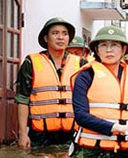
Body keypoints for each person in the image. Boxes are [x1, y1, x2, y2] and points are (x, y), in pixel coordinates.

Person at [70, 26, 128, 158]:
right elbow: (80, 116)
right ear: (97, 50)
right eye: (103, 45)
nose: (109, 50)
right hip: (91, 152)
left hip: (127, 151)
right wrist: (116, 127)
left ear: (123, 50)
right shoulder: (86, 75)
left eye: (114, 45)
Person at [14, 17, 82, 148]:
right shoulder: (31, 62)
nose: (60, 37)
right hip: (40, 135)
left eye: (65, 33)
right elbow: (22, 99)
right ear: (46, 38)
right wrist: (23, 133)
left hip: (72, 134)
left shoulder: (80, 64)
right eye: (55, 33)